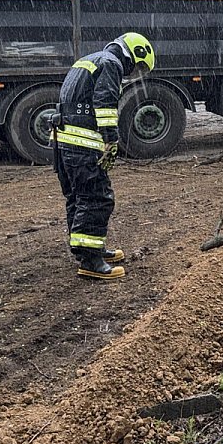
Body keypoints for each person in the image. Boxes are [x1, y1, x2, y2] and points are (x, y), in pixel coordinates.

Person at [54, 33, 155, 279]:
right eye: (139, 67)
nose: (133, 73)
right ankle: (91, 262)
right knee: (97, 198)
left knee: (78, 197)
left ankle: (87, 249)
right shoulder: (111, 64)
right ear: (135, 53)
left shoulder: (89, 59)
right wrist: (111, 140)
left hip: (64, 142)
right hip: (84, 144)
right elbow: (105, 104)